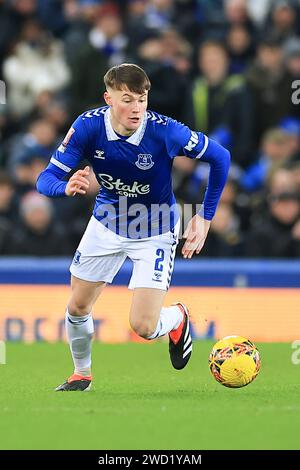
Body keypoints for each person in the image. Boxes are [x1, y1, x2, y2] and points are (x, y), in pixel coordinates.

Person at [36, 63, 230, 391]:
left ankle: (177, 318)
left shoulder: (165, 131)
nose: (136, 108)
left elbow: (221, 157)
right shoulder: (87, 126)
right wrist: (65, 187)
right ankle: (81, 374)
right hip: (107, 224)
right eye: (127, 99)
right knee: (78, 305)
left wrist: (205, 216)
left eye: (142, 99)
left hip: (154, 229)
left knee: (143, 326)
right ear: (108, 98)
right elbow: (45, 179)